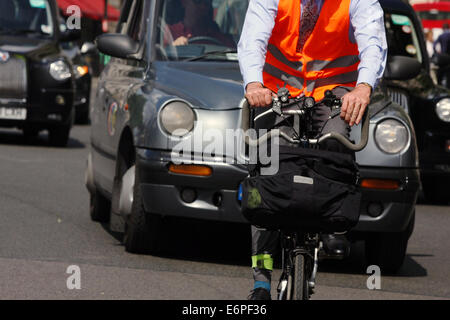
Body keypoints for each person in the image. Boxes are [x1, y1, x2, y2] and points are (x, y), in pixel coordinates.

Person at [237, 0, 387, 300]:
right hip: (278, 92)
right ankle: (261, 280)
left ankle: (332, 224)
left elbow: (373, 41)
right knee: (267, 177)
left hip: (333, 94)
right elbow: (253, 40)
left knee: (336, 143)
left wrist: (363, 87)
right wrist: (253, 83)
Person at [165, 0, 235, 48]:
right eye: (198, 1)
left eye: (206, 2)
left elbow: (236, 59)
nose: (202, 6)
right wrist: (173, 49)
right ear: (184, 1)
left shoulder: (222, 39)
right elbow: (159, 59)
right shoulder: (169, 33)